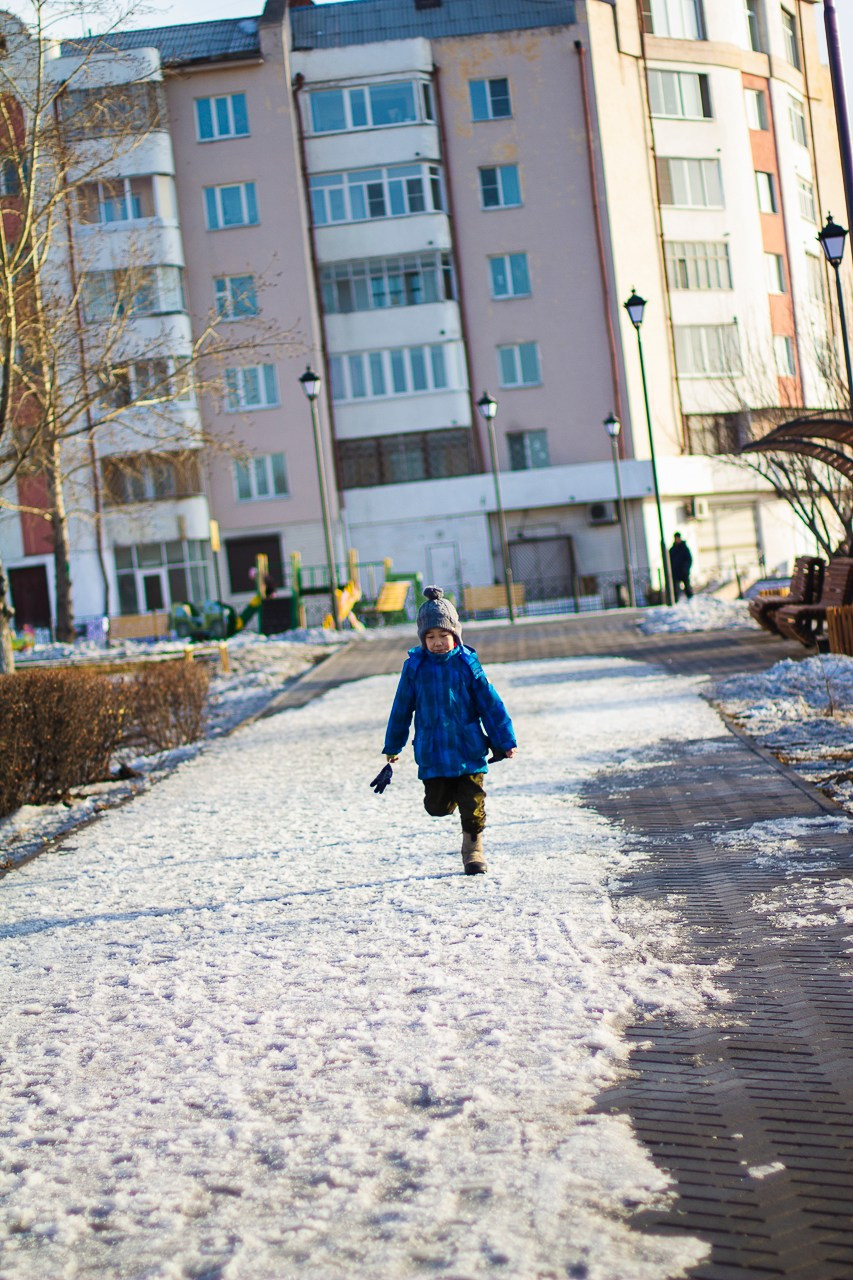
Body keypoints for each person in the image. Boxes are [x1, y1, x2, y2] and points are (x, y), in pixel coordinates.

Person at [382, 586, 517, 876]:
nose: (438, 642)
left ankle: (473, 852)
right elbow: (401, 708)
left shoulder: (467, 665)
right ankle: (451, 798)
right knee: (436, 806)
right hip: (433, 752)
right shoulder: (415, 668)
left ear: (455, 635)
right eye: (430, 637)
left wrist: (504, 740)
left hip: (468, 748)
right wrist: (393, 746)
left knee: (473, 805)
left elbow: (490, 703)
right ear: (422, 639)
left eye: (443, 635)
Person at [669, 532, 693, 602]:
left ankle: (690, 600)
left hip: (683, 572)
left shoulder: (684, 548)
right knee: (675, 588)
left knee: (687, 587)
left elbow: (689, 559)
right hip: (675, 572)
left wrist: (686, 568)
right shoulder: (672, 549)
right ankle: (676, 601)